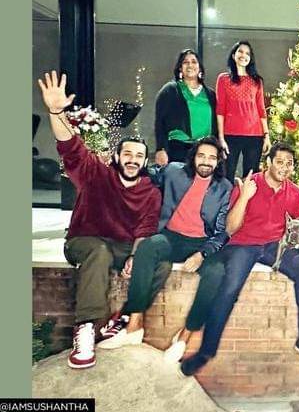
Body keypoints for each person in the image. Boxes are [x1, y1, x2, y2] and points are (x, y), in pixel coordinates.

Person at [36, 71, 162, 369]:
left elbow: (145, 229)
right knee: (99, 251)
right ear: (116, 157)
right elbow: (70, 146)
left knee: (161, 260)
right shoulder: (96, 174)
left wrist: (136, 256)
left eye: (139, 156)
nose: (132, 159)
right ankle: (86, 327)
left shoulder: (150, 192)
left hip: (121, 245)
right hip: (84, 241)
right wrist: (56, 112)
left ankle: (123, 318)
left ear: (145, 162)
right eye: (127, 153)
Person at [179, 142, 299, 376]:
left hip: (274, 245)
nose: (284, 167)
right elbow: (230, 227)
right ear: (268, 162)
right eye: (279, 162)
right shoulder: (249, 184)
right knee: (229, 289)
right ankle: (206, 352)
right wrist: (245, 197)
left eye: (289, 164)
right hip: (244, 244)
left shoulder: (294, 191)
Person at [96, 137, 233, 354]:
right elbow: (143, 172)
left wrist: (202, 254)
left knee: (217, 273)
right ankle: (134, 325)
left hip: (201, 242)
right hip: (171, 236)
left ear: (218, 162)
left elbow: (222, 231)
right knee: (147, 248)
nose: (206, 162)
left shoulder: (224, 187)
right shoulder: (173, 172)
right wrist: (108, 165)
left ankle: (184, 337)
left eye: (212, 158)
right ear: (193, 158)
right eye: (201, 156)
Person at [215, 40, 271, 183]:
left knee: (251, 177)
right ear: (233, 55)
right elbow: (220, 110)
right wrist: (221, 137)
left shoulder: (257, 81)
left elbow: (261, 110)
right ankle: (227, 198)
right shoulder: (223, 79)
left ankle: (248, 199)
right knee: (226, 175)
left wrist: (266, 136)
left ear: (250, 58)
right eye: (240, 51)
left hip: (255, 135)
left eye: (247, 53)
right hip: (230, 135)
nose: (243, 55)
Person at [154, 49, 217, 165]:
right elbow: (160, 122)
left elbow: (217, 124)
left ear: (200, 67)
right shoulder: (170, 90)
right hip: (178, 149)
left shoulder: (211, 94)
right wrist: (160, 149)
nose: (190, 65)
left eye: (194, 62)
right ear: (180, 68)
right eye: (185, 62)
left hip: (204, 150)